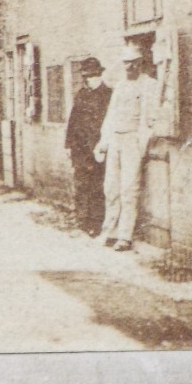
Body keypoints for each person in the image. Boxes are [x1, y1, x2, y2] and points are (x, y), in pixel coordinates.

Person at [94, 44, 159, 252]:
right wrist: (104, 142)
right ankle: (109, 231)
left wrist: (141, 144)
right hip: (116, 138)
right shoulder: (120, 86)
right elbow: (111, 115)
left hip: (132, 139)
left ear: (141, 63)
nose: (129, 66)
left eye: (133, 62)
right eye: (126, 62)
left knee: (128, 188)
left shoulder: (149, 85)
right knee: (111, 187)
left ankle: (125, 236)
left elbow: (150, 119)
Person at [64, 57, 112, 237]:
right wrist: (68, 145)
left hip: (98, 149)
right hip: (80, 150)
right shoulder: (81, 95)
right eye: (85, 76)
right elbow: (73, 121)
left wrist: (103, 146)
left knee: (97, 186)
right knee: (82, 185)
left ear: (99, 75)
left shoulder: (108, 95)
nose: (87, 80)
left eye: (91, 76)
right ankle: (83, 220)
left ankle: (96, 223)